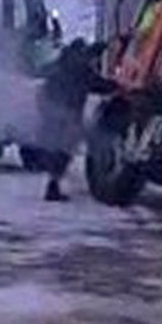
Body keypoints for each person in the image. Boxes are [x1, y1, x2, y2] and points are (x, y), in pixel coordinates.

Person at [36, 39, 117, 202]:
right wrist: (118, 86)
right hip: (66, 112)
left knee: (57, 148)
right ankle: (53, 187)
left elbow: (44, 73)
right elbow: (98, 84)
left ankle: (53, 183)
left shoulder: (62, 62)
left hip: (51, 109)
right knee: (64, 150)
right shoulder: (80, 68)